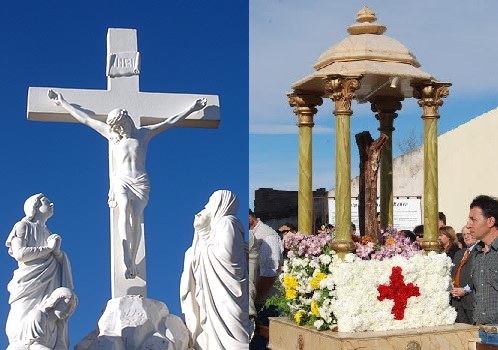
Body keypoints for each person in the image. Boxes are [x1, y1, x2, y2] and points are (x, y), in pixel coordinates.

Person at [49, 90, 207, 279]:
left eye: (122, 125)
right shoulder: (112, 137)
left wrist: (191, 108)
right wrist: (63, 103)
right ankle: (126, 258)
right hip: (122, 179)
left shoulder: (144, 134)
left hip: (140, 181)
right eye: (118, 127)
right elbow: (86, 120)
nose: (121, 130)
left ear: (127, 120)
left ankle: (133, 256)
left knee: (137, 217)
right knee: (123, 211)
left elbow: (170, 122)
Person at [180, 190, 249, 350]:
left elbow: (226, 253)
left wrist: (203, 241)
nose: (206, 206)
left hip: (227, 292)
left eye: (210, 201)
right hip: (218, 288)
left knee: (231, 333)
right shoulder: (221, 225)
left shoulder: (227, 222)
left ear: (220, 203)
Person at [5, 194, 74, 347]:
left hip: (50, 280)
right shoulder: (23, 226)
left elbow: (56, 257)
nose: (51, 203)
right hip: (29, 282)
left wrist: (57, 253)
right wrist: (48, 248)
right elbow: (20, 254)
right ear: (35, 206)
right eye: (46, 201)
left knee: (49, 313)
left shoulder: (49, 234)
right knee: (24, 314)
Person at [467, 195, 498, 345]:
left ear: (490, 221)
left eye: (474, 220)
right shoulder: (477, 253)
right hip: (479, 333)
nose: (468, 225)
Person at [249, 210, 282, 349]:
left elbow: (268, 275)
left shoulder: (268, 236)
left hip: (266, 303)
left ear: (250, 218)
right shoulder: (252, 236)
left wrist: (254, 300)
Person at [7, 287, 78, 350]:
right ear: (56, 301)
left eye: (71, 309)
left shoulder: (59, 326)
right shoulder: (38, 315)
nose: (68, 311)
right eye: (67, 305)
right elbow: (34, 346)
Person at [450, 226, 477, 324]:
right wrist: (452, 288)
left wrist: (465, 290)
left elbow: (477, 275)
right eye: (464, 234)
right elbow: (453, 274)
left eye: (469, 234)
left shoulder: (479, 252)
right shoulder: (459, 253)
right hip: (456, 300)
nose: (466, 237)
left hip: (470, 299)